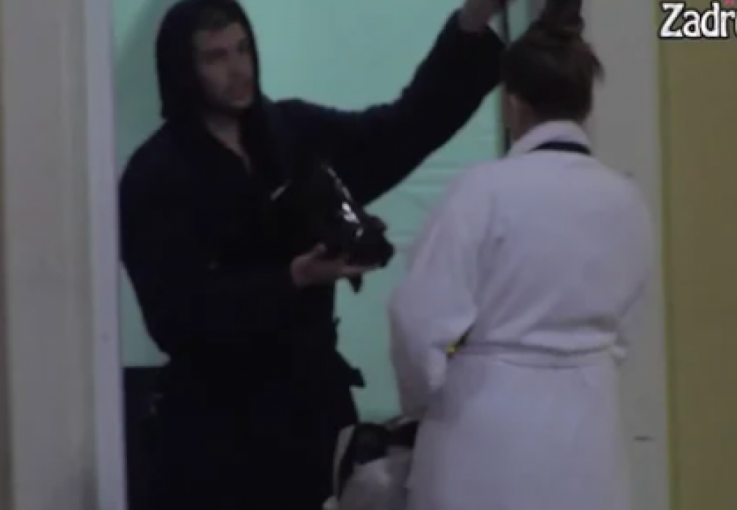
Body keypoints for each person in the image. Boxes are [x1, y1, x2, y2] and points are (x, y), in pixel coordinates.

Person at [119, 0, 508, 508]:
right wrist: (291, 279)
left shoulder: (290, 134)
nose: (238, 69)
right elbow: (173, 317)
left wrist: (470, 25)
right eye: (215, 57)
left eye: (242, 49)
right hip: (216, 430)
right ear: (183, 70)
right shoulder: (154, 176)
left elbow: (398, 133)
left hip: (311, 410)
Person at [388, 11, 654, 510]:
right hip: (590, 436)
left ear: (513, 104)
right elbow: (625, 331)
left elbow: (418, 320)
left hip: (483, 435)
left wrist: (421, 400)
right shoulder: (626, 200)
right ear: (585, 104)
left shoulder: (481, 191)